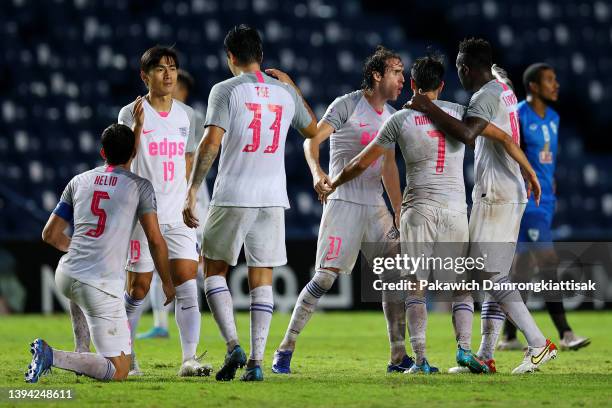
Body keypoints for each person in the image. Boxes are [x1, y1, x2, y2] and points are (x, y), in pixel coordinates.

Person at [323, 52, 533, 374]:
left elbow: (362, 162)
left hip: (418, 209)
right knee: (461, 285)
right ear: (443, 84)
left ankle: (420, 360)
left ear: (413, 84)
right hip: (454, 210)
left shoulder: (400, 119)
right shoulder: (460, 113)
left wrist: (333, 182)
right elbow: (503, 137)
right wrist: (527, 170)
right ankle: (464, 351)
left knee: (415, 285)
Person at [406, 38, 557, 374]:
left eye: (460, 66)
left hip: (497, 193)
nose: (459, 72)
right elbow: (501, 137)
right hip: (506, 190)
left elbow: (467, 134)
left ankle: (537, 343)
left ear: (466, 68)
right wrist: (528, 170)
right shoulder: (504, 90)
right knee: (484, 273)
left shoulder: (485, 96)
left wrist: (428, 107)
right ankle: (487, 354)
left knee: (489, 272)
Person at [182, 24, 318, 382]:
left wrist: (193, 188)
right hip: (273, 198)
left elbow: (211, 141)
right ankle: (257, 361)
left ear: (230, 58)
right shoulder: (284, 93)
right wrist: (291, 85)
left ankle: (233, 345)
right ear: (261, 55)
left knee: (213, 271)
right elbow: (313, 129)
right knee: (263, 278)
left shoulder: (225, 90)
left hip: (233, 194)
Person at [270, 46, 407, 374]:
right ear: (377, 75)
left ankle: (398, 357)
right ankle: (285, 347)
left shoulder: (391, 117)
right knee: (325, 279)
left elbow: (388, 166)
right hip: (343, 201)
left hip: (375, 205)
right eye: (397, 71)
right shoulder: (348, 104)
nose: (403, 78)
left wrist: (398, 210)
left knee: (396, 277)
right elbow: (311, 140)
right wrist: (319, 174)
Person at [26, 124, 175, 383]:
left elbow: (49, 234)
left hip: (67, 272)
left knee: (79, 285)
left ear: (102, 152)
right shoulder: (140, 187)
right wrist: (168, 282)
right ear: (134, 152)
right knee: (120, 369)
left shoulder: (78, 181)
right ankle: (52, 356)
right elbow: (154, 238)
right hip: (99, 283)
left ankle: (81, 354)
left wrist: (80, 248)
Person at [118, 46, 209, 376]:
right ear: (145, 76)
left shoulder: (186, 115)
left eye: (172, 68)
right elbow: (122, 164)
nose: (168, 74)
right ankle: (125, 356)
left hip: (178, 214)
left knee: (186, 283)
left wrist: (190, 197)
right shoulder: (131, 112)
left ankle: (189, 359)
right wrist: (138, 128)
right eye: (160, 69)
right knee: (138, 288)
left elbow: (187, 161)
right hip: (142, 216)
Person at [497, 63, 590, 351]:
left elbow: (547, 158)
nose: (556, 85)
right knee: (548, 262)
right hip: (529, 202)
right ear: (534, 87)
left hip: (547, 199)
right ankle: (565, 332)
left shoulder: (554, 117)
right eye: (550, 80)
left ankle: (509, 337)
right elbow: (511, 155)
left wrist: (551, 182)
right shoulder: (520, 116)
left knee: (523, 270)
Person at [137, 69, 211, 341]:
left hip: (192, 200)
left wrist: (192, 196)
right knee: (161, 271)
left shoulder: (191, 117)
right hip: (163, 204)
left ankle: (186, 330)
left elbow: (200, 157)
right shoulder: (142, 113)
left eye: (176, 83)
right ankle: (161, 325)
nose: (169, 84)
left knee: (193, 272)